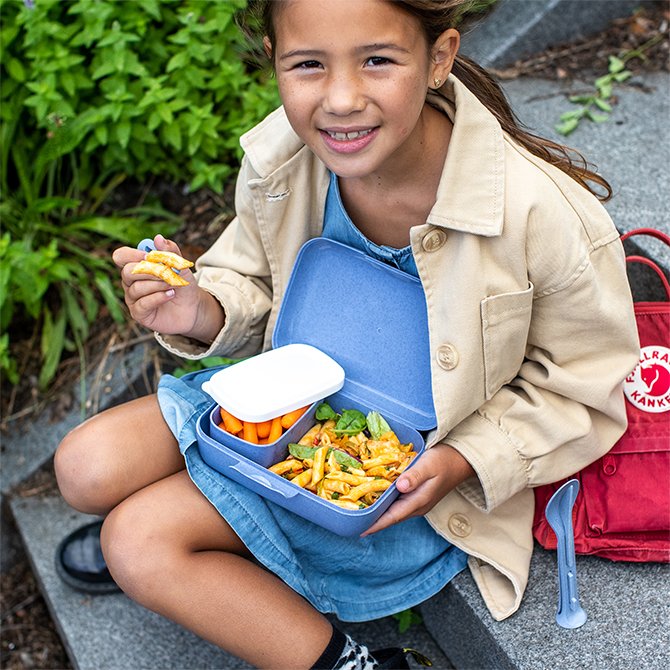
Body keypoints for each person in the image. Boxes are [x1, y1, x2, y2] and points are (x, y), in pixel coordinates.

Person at [54, 1, 640, 668]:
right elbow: (251, 281)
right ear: (274, 58)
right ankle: (216, 545)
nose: (340, 99)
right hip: (285, 404)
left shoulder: (544, 214)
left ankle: (344, 660)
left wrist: (464, 460)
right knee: (82, 466)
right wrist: (199, 310)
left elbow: (583, 384)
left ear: (439, 57)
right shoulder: (285, 157)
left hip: (415, 471)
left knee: (136, 542)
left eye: (377, 61)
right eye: (308, 64)